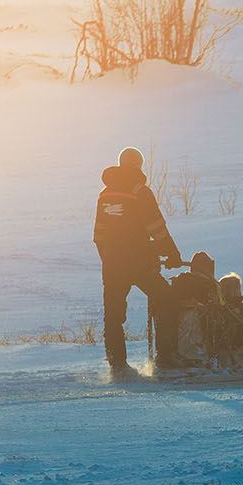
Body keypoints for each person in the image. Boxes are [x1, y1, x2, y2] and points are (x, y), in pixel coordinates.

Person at [92, 147, 182, 373]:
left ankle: (117, 365)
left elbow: (98, 235)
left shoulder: (105, 195)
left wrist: (109, 259)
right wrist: (173, 254)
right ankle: (166, 359)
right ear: (139, 165)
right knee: (167, 300)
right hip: (139, 264)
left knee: (113, 316)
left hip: (112, 266)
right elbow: (157, 228)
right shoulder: (140, 192)